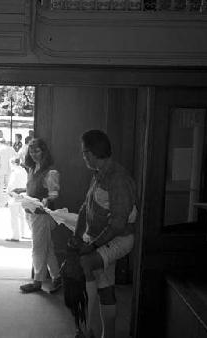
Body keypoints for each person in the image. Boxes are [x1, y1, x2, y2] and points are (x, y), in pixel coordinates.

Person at [72, 130, 137, 338]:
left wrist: (91, 246)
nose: (83, 157)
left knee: (87, 263)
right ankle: (107, 335)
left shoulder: (118, 178)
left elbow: (118, 225)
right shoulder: (99, 174)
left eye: (84, 153)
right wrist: (77, 235)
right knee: (104, 286)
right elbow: (85, 208)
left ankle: (87, 330)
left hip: (119, 239)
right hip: (99, 238)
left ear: (92, 153)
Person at [19, 138, 62, 294]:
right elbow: (31, 189)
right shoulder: (32, 169)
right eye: (31, 151)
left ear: (44, 151)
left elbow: (54, 195)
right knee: (47, 247)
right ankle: (57, 278)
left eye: (37, 151)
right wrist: (21, 193)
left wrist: (44, 201)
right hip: (31, 212)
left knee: (38, 248)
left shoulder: (50, 172)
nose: (34, 154)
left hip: (42, 215)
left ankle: (37, 281)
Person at [6, 157, 29, 241]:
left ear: (13, 163)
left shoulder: (14, 172)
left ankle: (15, 235)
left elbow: (11, 185)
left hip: (15, 196)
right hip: (23, 196)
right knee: (22, 216)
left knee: (14, 217)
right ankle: (23, 233)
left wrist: (8, 193)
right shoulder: (24, 171)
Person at [0, 138, 17, 207]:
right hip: (9, 169)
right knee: (9, 186)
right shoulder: (11, 149)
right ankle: (9, 201)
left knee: (0, 187)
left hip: (1, 170)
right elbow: (16, 157)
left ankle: (2, 203)